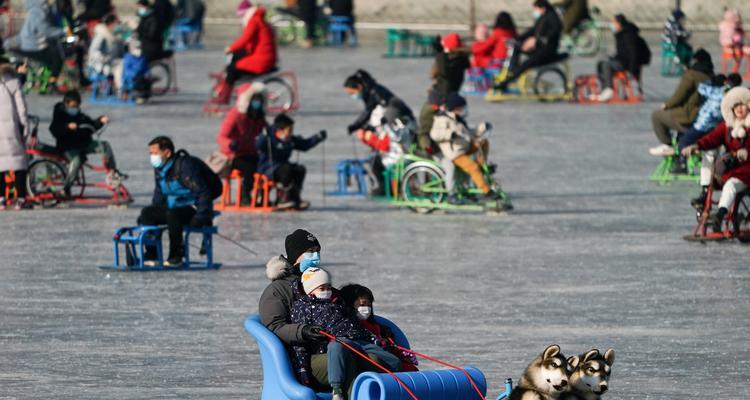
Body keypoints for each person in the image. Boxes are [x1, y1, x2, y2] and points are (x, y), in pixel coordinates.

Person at [259, 230, 366, 397]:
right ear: (295, 256)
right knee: (351, 358)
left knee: (378, 357)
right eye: (309, 252)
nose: (315, 256)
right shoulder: (278, 289)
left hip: (333, 347)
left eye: (317, 251)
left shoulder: (319, 281)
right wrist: (303, 331)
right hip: (303, 356)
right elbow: (274, 326)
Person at [292, 267, 402, 400]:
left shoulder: (338, 304)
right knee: (337, 346)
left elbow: (355, 326)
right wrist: (302, 367)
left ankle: (398, 388)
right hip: (338, 341)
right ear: (310, 290)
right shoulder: (303, 308)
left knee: (393, 361)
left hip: (358, 341)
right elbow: (299, 339)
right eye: (322, 288)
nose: (327, 291)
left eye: (328, 287)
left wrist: (376, 339)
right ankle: (337, 390)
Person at [137, 136, 217, 267]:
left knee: (172, 214)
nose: (152, 157)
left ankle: (176, 255)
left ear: (167, 153)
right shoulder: (160, 169)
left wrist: (201, 216)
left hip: (192, 208)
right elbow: (159, 195)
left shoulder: (185, 167)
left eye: (155, 153)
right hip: (173, 208)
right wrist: (151, 215)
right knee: (147, 212)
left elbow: (203, 193)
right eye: (151, 153)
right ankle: (152, 255)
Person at [682, 87, 750, 231]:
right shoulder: (727, 126)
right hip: (730, 166)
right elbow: (711, 138)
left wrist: (746, 152)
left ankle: (720, 215)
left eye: (742, 104)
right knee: (709, 153)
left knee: (731, 185)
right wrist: (696, 146)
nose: (739, 108)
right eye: (736, 105)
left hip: (746, 172)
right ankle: (705, 191)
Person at [343, 70, 414, 194]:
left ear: (359, 86)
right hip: (397, 135)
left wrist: (366, 134)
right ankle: (388, 188)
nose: (352, 96)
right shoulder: (372, 93)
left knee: (377, 161)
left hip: (398, 138)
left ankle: (387, 189)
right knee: (376, 160)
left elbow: (372, 116)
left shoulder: (379, 101)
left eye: (352, 93)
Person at [49, 90, 126, 196]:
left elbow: (91, 126)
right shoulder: (59, 116)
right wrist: (67, 127)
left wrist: (101, 120)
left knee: (104, 146)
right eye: (72, 106)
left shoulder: (80, 117)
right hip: (67, 147)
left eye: (76, 106)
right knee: (76, 161)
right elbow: (54, 129)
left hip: (83, 144)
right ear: (66, 104)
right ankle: (66, 188)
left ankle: (112, 172)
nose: (74, 109)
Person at [429, 93, 498, 204]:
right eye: (462, 108)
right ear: (455, 108)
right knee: (472, 167)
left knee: (483, 142)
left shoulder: (458, 119)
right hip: (455, 153)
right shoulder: (442, 119)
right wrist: (450, 134)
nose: (464, 110)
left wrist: (483, 127)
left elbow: (470, 132)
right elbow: (434, 134)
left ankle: (482, 164)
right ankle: (487, 192)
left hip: (464, 147)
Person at [674, 74, 743, 180]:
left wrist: (711, 81)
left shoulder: (719, 91)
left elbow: (701, 87)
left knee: (683, 140)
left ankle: (682, 163)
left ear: (726, 81)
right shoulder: (737, 95)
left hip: (703, 124)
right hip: (716, 126)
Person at [339, 284, 419, 372]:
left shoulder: (375, 325)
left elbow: (388, 346)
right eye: (362, 304)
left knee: (410, 368)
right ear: (349, 305)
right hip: (368, 364)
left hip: (387, 359)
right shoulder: (348, 327)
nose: (366, 309)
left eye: (369, 305)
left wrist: (401, 353)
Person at [649, 49, 714, 157]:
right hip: (705, 121)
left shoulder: (691, 75)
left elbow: (679, 96)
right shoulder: (711, 76)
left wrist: (666, 105)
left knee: (656, 115)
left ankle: (667, 144)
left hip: (689, 119)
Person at [256, 114, 326, 210]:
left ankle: (295, 198)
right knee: (286, 169)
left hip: (282, 167)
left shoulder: (290, 139)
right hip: (268, 169)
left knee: (300, 170)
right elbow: (258, 144)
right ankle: (282, 198)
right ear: (280, 130)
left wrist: (317, 137)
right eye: (289, 130)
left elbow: (304, 145)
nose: (291, 132)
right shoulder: (270, 138)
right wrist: (263, 135)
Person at [211, 5, 277, 104]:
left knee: (232, 68)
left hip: (262, 59)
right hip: (264, 56)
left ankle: (225, 96)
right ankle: (227, 86)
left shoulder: (254, 21)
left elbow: (245, 38)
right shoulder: (259, 20)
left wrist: (230, 48)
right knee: (236, 58)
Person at [216, 82, 267, 204]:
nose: (257, 103)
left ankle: (262, 196)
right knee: (250, 167)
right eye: (254, 100)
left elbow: (267, 131)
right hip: (233, 155)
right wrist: (230, 144)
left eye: (259, 100)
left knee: (265, 165)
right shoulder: (235, 115)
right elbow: (222, 137)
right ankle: (245, 196)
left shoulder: (259, 118)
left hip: (251, 153)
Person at [494, 0, 562, 91]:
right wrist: (517, 39)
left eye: (536, 9)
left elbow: (555, 31)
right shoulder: (542, 18)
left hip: (546, 51)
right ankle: (513, 71)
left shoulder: (552, 17)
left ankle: (507, 82)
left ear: (543, 8)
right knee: (516, 48)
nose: (535, 12)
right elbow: (532, 31)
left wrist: (537, 40)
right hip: (539, 48)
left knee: (526, 64)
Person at [594, 14, 650, 102]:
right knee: (601, 62)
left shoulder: (628, 36)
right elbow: (622, 52)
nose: (611, 25)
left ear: (619, 23)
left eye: (613, 22)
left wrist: (631, 70)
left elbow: (633, 54)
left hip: (627, 64)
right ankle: (604, 89)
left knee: (606, 65)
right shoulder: (621, 34)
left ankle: (609, 89)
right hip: (622, 61)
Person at [0, 57, 31, 210]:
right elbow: (21, 109)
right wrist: (25, 127)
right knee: (19, 164)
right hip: (11, 129)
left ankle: (1, 200)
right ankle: (20, 199)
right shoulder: (13, 82)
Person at [12, 0, 65, 87]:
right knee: (57, 58)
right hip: (33, 45)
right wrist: (62, 31)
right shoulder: (38, 10)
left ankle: (49, 81)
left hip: (28, 43)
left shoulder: (39, 8)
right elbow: (45, 30)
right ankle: (51, 83)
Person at [87, 14, 124, 79]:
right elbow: (93, 51)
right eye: (116, 23)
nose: (118, 25)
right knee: (119, 69)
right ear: (111, 24)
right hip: (101, 66)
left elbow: (119, 53)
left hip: (112, 62)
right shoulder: (102, 35)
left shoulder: (114, 36)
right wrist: (103, 59)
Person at [121, 39, 151, 103]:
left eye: (139, 47)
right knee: (139, 81)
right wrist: (134, 74)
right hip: (131, 77)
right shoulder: (128, 57)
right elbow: (126, 71)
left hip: (141, 76)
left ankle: (145, 96)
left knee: (147, 80)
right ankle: (139, 96)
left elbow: (146, 67)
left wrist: (148, 73)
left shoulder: (142, 57)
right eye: (137, 47)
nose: (138, 49)